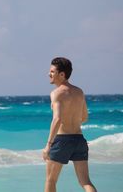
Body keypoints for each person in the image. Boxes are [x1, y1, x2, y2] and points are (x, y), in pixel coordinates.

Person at [43, 57, 97, 192]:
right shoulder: (79, 92)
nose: (48, 74)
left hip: (62, 140)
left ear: (62, 74)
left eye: (52, 71)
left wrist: (48, 145)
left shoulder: (56, 93)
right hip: (79, 140)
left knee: (51, 180)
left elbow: (57, 119)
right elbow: (84, 117)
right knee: (85, 182)